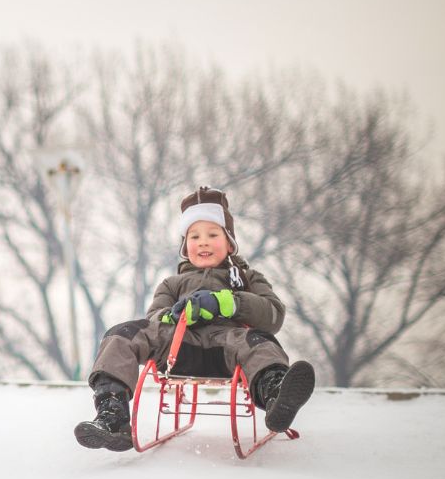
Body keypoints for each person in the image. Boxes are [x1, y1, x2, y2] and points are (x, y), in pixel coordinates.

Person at [75, 186, 314, 451]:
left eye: (213, 234)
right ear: (185, 245)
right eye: (194, 236)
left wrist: (228, 302)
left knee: (260, 341)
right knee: (122, 333)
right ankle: (112, 415)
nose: (203, 242)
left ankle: (276, 396)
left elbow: (273, 315)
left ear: (230, 242)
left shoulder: (247, 279)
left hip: (229, 349)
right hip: (178, 349)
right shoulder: (172, 284)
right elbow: (154, 317)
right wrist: (174, 314)